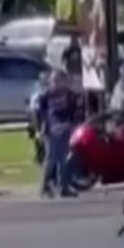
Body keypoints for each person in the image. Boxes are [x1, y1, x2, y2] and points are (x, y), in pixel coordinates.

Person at [35, 69, 83, 198]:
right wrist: (41, 128)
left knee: (65, 159)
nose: (57, 83)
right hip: (52, 131)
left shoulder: (70, 95)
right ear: (50, 82)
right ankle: (44, 187)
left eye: (60, 80)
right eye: (54, 80)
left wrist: (74, 125)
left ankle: (64, 186)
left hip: (66, 129)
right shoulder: (45, 96)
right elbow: (40, 114)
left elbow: (75, 113)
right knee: (51, 159)